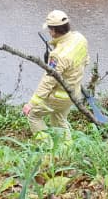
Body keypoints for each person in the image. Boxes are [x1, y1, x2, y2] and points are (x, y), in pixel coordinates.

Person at [22, 10, 89, 145]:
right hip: (74, 93)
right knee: (59, 120)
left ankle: (47, 147)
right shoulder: (79, 39)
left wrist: (31, 104)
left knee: (34, 116)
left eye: (49, 30)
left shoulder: (57, 55)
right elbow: (86, 61)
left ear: (53, 30)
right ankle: (66, 152)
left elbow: (48, 81)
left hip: (59, 97)